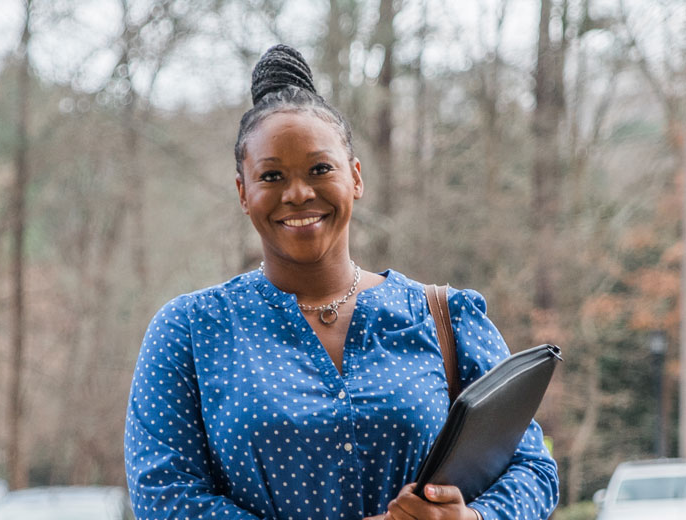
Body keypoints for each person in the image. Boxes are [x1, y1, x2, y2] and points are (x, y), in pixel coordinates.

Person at [124, 44, 559, 520]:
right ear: (243, 193)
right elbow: (164, 495)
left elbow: (533, 468)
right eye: (271, 175)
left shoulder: (446, 319)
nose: (298, 193)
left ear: (355, 176)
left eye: (319, 169)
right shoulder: (190, 331)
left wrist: (474, 519)